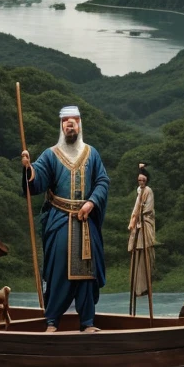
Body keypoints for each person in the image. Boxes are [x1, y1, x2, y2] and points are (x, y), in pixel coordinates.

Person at [21, 105, 109, 333]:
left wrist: (91, 202)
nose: (70, 124)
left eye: (74, 120)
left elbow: (102, 182)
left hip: (85, 220)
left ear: (80, 124)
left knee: (86, 274)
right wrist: (28, 168)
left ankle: (87, 323)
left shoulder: (92, 153)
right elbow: (37, 180)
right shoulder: (51, 154)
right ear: (61, 126)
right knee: (58, 270)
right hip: (59, 219)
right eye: (65, 121)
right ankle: (52, 322)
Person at [128, 164, 155, 296]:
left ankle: (145, 286)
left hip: (145, 223)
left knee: (144, 252)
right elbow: (136, 207)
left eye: (143, 180)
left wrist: (139, 215)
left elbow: (148, 208)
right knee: (136, 253)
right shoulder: (139, 191)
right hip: (139, 223)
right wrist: (133, 219)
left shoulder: (148, 191)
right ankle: (137, 287)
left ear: (146, 180)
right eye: (139, 180)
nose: (141, 182)